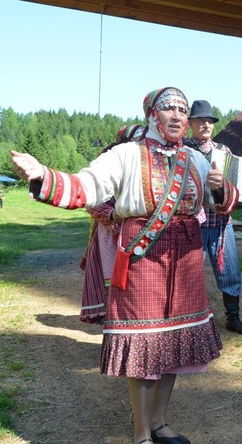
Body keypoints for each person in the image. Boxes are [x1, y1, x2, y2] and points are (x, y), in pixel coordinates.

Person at [11, 87, 238, 444]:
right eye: (168, 109)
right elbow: (85, 186)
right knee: (145, 342)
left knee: (175, 343)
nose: (177, 116)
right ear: (152, 115)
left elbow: (220, 204)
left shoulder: (195, 160)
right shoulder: (126, 155)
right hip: (143, 255)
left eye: (182, 109)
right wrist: (43, 174)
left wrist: (222, 187)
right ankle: (141, 432)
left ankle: (161, 423)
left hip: (187, 257)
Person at [184, 99, 242, 335]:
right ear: (190, 123)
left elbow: (236, 187)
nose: (206, 124)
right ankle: (186, 323)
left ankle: (232, 318)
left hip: (221, 223)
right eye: (200, 120)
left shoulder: (224, 151)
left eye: (209, 121)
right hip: (192, 223)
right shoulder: (182, 150)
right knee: (188, 273)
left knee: (230, 270)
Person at [79, 124, 145, 324]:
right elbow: (92, 199)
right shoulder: (110, 159)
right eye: (136, 141)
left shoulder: (146, 162)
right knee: (112, 275)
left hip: (137, 229)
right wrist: (111, 215)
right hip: (110, 230)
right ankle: (113, 317)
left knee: (136, 276)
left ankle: (133, 316)